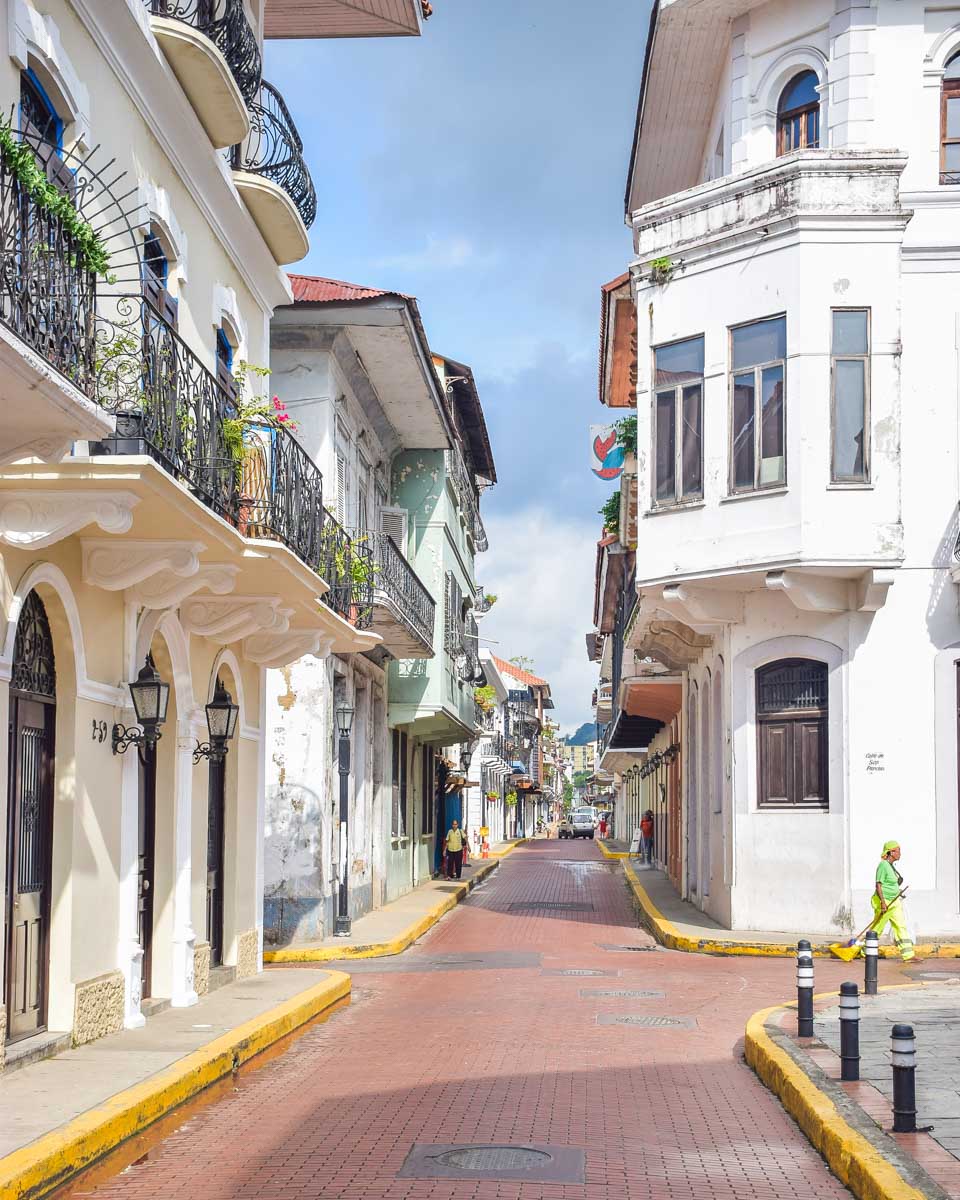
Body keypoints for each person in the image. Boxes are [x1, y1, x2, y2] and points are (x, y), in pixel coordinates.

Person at [869, 840, 915, 961]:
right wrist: (883, 903)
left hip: (894, 901)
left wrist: (897, 891)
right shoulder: (883, 865)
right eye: (898, 851)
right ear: (891, 852)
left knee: (901, 926)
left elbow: (890, 884)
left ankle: (908, 955)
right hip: (885, 902)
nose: (900, 853)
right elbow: (878, 885)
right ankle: (866, 951)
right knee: (878, 927)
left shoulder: (890, 866)